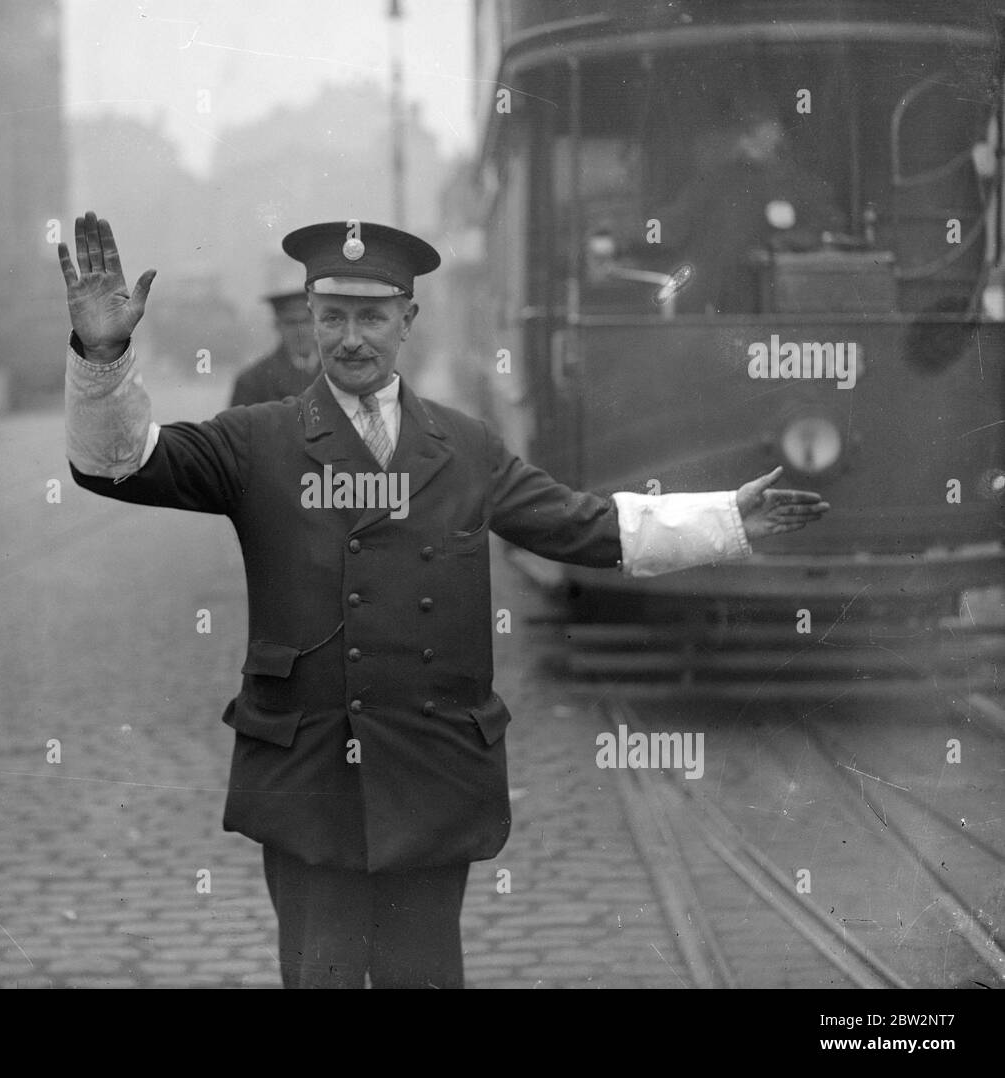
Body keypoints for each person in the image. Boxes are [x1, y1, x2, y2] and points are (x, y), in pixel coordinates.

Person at [59, 211, 830, 988]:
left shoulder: (465, 447)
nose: (350, 337)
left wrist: (731, 518)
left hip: (426, 781)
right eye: (332, 317)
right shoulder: (256, 439)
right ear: (314, 320)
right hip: (309, 783)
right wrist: (103, 354)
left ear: (408, 321)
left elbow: (587, 527)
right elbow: (122, 462)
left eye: (371, 317)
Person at [651, 104, 847, 314]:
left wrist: (784, 243)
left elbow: (830, 225)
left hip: (778, 300)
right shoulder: (714, 182)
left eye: (771, 132)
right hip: (719, 299)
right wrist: (642, 234)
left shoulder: (798, 184)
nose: (766, 141)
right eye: (753, 132)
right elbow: (675, 221)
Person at [229, 290, 319, 406]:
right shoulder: (252, 382)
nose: (300, 331)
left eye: (306, 321)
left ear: (318, 322)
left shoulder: (338, 370)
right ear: (277, 325)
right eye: (291, 323)